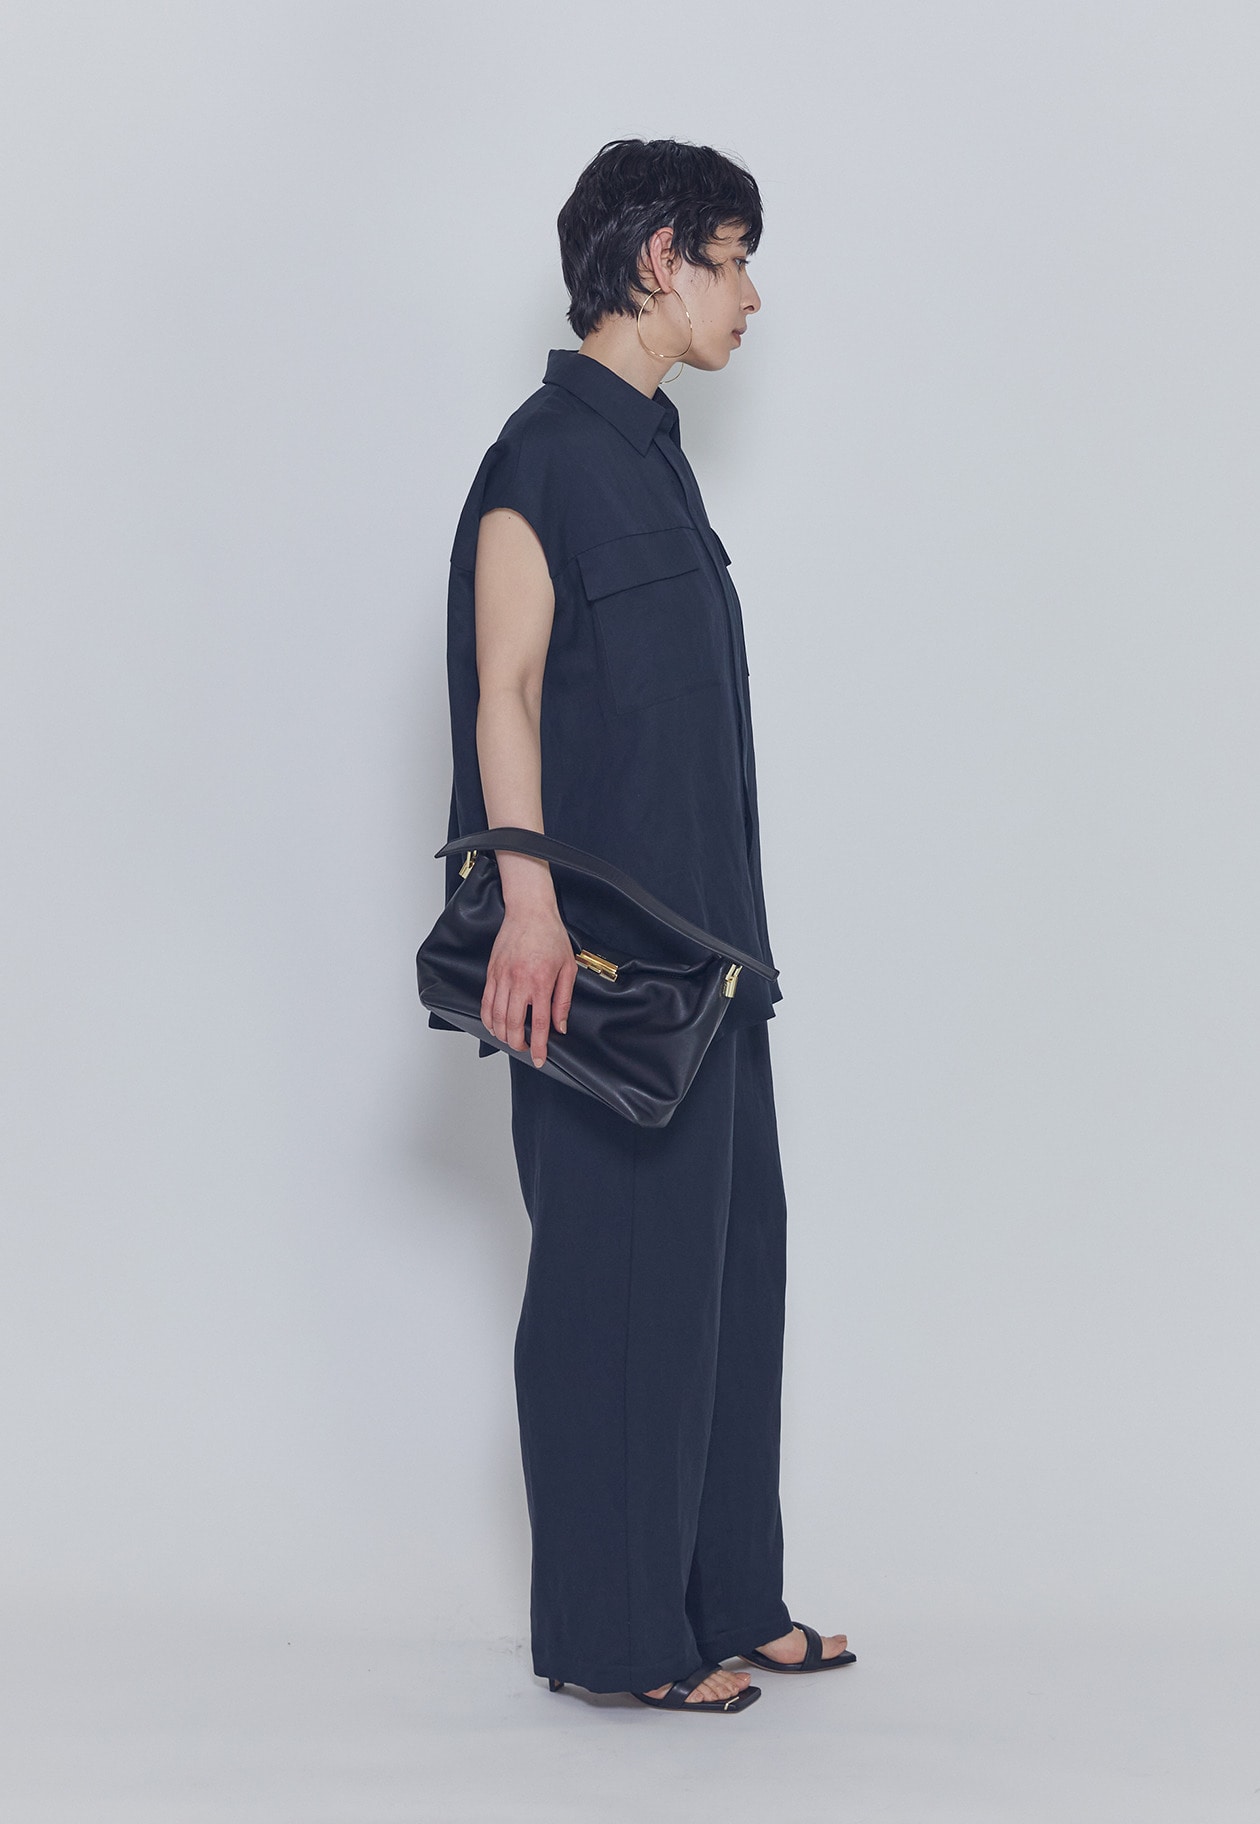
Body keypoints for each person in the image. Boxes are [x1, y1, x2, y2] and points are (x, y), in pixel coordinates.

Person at [431, 138, 855, 1712]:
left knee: (727, 1280)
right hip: (602, 971)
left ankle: (730, 1599)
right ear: (662, 260)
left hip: (712, 960)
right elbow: (506, 692)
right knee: (615, 1292)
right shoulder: (541, 458)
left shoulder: (655, 453)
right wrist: (529, 909)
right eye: (734, 260)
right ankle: (619, 1645)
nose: (752, 296)